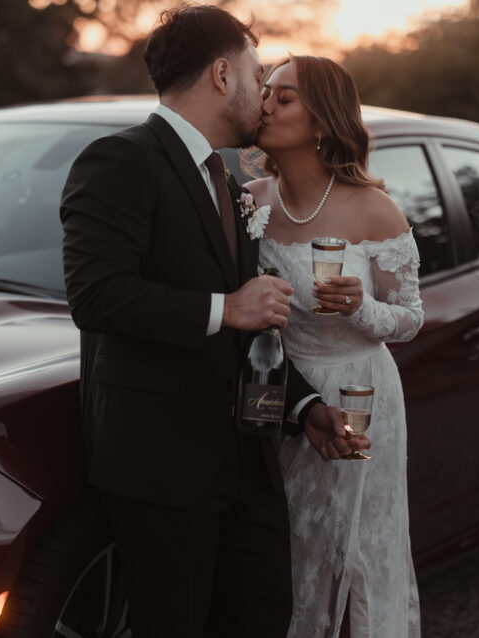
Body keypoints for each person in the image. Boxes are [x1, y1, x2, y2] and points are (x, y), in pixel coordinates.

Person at [59, 8, 369, 637]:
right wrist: (226, 308)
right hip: (161, 472)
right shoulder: (121, 160)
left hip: (249, 467)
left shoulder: (227, 181)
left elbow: (250, 336)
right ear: (224, 74)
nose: (263, 94)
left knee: (262, 619)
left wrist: (304, 407)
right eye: (258, 75)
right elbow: (96, 295)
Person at [244, 54, 424, 637]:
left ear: (321, 120)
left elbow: (412, 317)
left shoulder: (374, 207)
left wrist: (362, 307)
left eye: (285, 96)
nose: (265, 103)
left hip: (359, 391)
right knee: (288, 548)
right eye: (265, 91)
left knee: (357, 554)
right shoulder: (250, 202)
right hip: (281, 392)